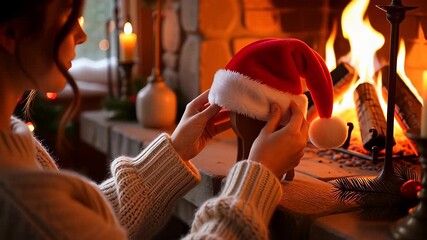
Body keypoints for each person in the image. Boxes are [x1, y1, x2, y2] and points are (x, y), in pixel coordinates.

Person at [0, 0, 308, 239]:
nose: (81, 35)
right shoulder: (15, 195)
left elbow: (87, 226)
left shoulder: (12, 138)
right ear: (10, 33)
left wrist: (173, 153)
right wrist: (258, 177)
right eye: (67, 14)